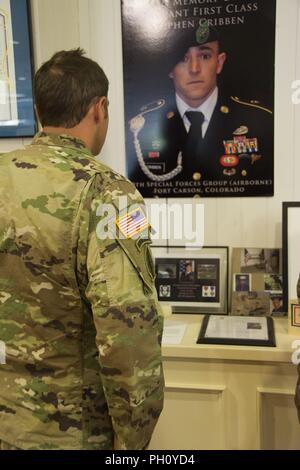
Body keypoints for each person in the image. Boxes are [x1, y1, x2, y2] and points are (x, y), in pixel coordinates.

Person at [0, 49, 164, 450]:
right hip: (72, 431)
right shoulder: (112, 194)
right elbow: (129, 330)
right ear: (100, 107)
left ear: (39, 109)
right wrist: (132, 443)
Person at [128, 23, 273, 197]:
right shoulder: (140, 127)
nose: (194, 69)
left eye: (204, 56)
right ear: (170, 69)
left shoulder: (259, 120)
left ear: (219, 63)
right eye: (183, 58)